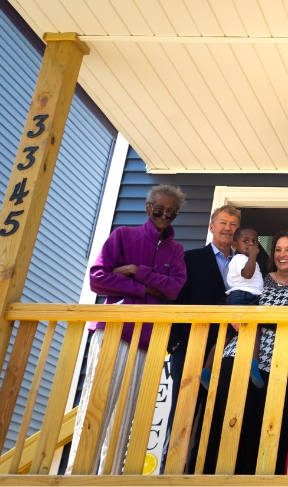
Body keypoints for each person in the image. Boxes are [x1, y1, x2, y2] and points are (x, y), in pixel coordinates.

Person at [70, 184, 187, 475]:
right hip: (113, 330)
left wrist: (137, 271)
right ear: (148, 208)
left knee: (127, 412)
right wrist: (146, 288)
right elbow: (98, 278)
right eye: (159, 210)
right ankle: (77, 474)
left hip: (148, 339)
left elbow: (173, 289)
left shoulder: (176, 250)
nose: (164, 216)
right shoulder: (123, 235)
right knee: (96, 405)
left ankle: (109, 478)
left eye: (171, 213)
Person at [202, 229, 288, 475]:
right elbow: (235, 301)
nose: (282, 254)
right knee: (230, 423)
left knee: (264, 430)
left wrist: (262, 321)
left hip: (278, 365)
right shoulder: (260, 277)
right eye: (278, 249)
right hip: (239, 355)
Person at [168, 203, 241, 461]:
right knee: (183, 413)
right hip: (192, 346)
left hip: (229, 349)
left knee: (215, 416)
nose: (228, 228)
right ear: (211, 227)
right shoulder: (191, 258)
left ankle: (201, 471)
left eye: (233, 224)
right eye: (223, 222)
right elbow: (175, 299)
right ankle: (172, 472)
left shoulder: (244, 263)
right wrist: (175, 342)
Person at [220, 226, 264, 388]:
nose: (251, 245)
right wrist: (253, 256)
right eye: (245, 241)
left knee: (233, 334)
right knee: (250, 332)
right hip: (241, 298)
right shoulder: (239, 259)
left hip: (248, 297)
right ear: (234, 245)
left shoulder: (246, 259)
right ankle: (252, 364)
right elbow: (247, 274)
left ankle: (253, 365)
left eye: (254, 241)